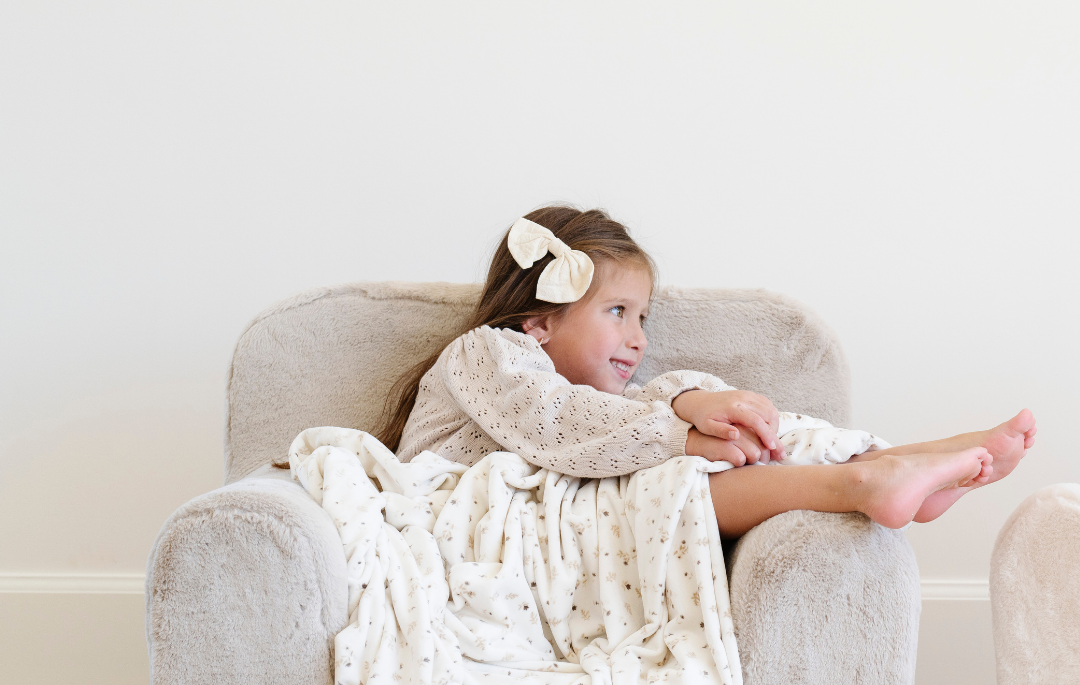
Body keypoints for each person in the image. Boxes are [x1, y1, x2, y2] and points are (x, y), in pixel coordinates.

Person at [381, 206, 1035, 537]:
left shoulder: (603, 402)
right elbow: (559, 423)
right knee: (669, 484)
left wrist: (698, 401)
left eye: (642, 318)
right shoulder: (489, 354)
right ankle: (863, 482)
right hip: (470, 526)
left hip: (550, 508)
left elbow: (639, 408)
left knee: (719, 441)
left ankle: (893, 457)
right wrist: (684, 431)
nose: (637, 339)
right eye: (618, 312)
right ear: (540, 317)